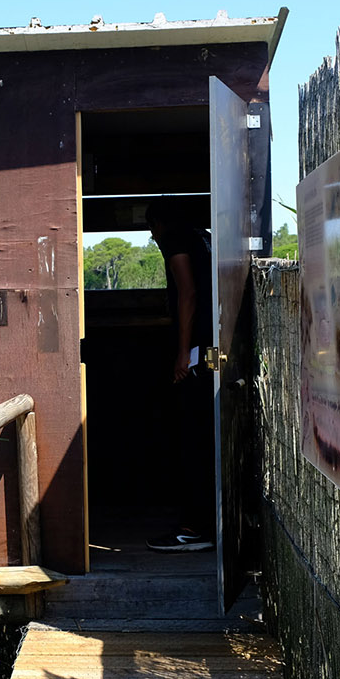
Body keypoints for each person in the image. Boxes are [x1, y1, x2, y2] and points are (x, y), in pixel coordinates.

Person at [145, 205, 216, 553]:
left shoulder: (175, 241)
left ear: (159, 224)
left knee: (193, 441)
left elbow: (187, 293)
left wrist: (182, 353)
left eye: (151, 231)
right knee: (206, 439)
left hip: (197, 354)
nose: (153, 238)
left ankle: (193, 528)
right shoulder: (203, 238)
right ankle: (210, 523)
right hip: (214, 350)